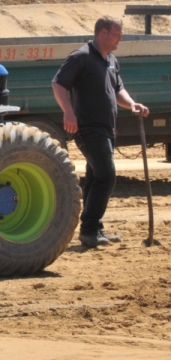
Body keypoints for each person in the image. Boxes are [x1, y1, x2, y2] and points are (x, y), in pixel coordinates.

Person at [52, 16, 149, 247]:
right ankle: (89, 229)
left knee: (96, 177)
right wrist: (68, 112)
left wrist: (132, 103)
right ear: (103, 33)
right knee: (106, 176)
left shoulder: (111, 59)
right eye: (117, 34)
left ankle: (94, 229)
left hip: (106, 128)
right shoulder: (81, 56)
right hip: (88, 128)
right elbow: (58, 83)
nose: (120, 39)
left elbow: (118, 89)